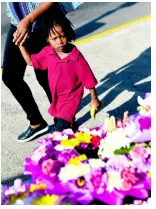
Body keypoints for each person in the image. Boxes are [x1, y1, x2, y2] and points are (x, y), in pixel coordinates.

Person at [2, 2, 82, 142]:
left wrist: (29, 19)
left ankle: (64, 122)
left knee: (48, 79)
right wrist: (24, 21)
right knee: (10, 76)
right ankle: (36, 122)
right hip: (19, 23)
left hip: (44, 23)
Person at [18, 11, 101, 135]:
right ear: (47, 40)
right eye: (54, 38)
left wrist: (94, 99)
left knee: (58, 132)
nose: (60, 41)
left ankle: (56, 148)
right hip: (57, 97)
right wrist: (21, 45)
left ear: (67, 35)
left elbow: (88, 79)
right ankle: (72, 130)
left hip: (71, 98)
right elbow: (30, 61)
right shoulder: (48, 52)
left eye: (62, 36)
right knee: (65, 123)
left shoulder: (75, 57)